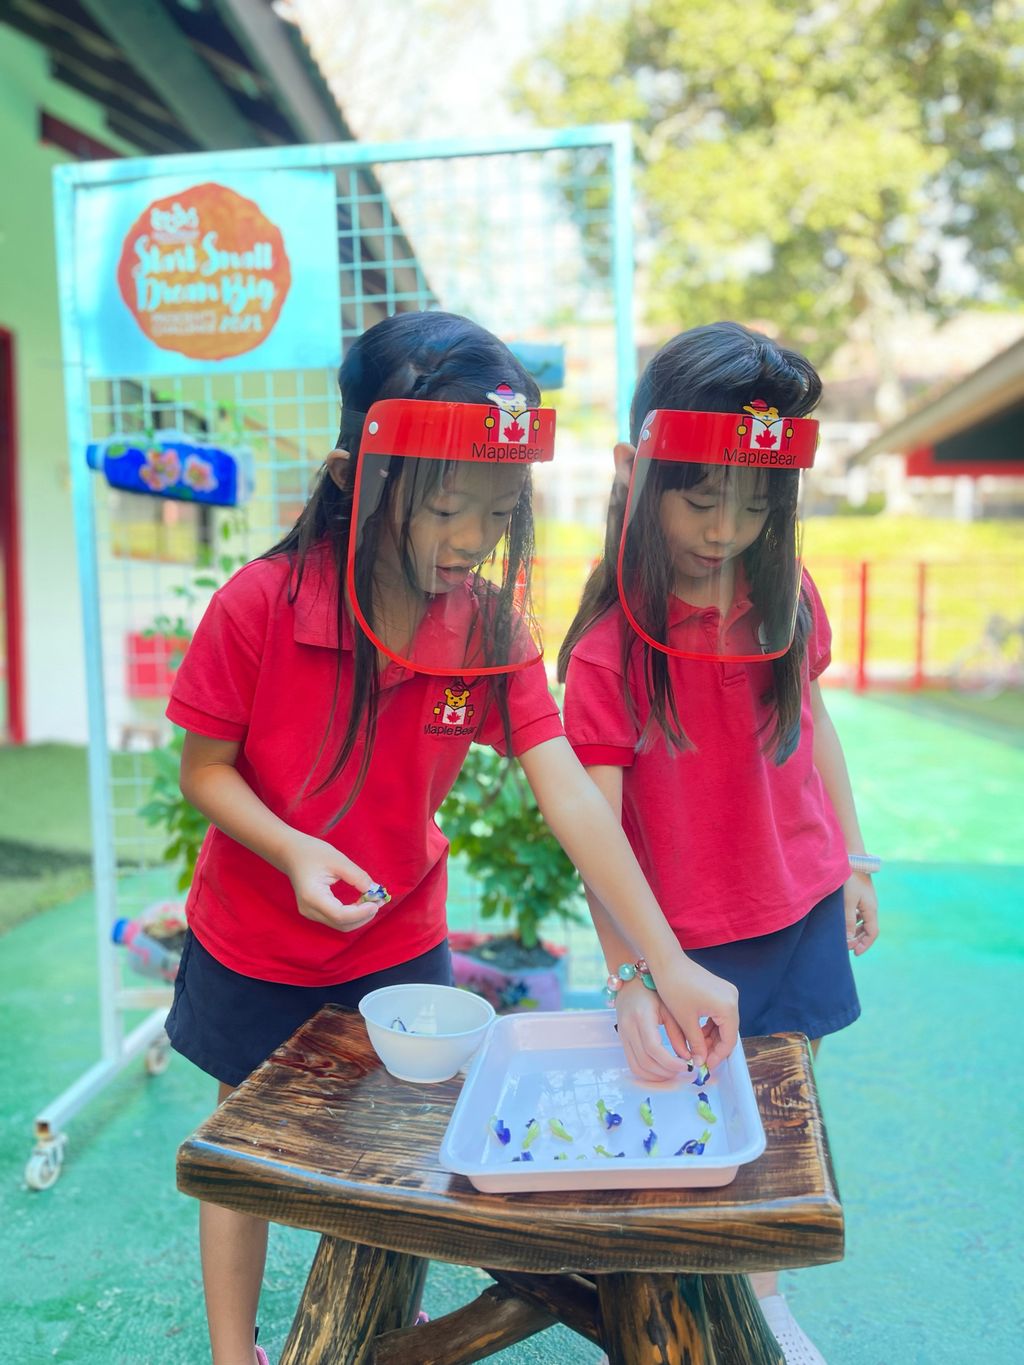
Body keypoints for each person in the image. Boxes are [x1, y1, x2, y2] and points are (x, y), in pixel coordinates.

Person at [164, 310, 740, 1365]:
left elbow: (569, 794)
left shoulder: (483, 626)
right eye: (442, 508)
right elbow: (203, 771)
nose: (471, 538)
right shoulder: (259, 605)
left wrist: (667, 963)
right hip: (253, 940)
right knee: (240, 1150)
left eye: (496, 509)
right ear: (355, 477)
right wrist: (291, 848)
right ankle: (229, 1347)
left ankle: (384, 1322)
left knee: (401, 1147)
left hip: (396, 942)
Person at [558, 321, 880, 1365]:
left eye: (754, 503)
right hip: (683, 942)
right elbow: (593, 831)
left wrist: (854, 859)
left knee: (784, 1124)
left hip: (800, 908)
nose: (726, 527)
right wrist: (633, 978)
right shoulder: (608, 653)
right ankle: (674, 1300)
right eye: (701, 496)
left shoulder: (785, 596)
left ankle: (765, 1303)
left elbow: (813, 723)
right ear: (637, 473)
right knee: (688, 1135)